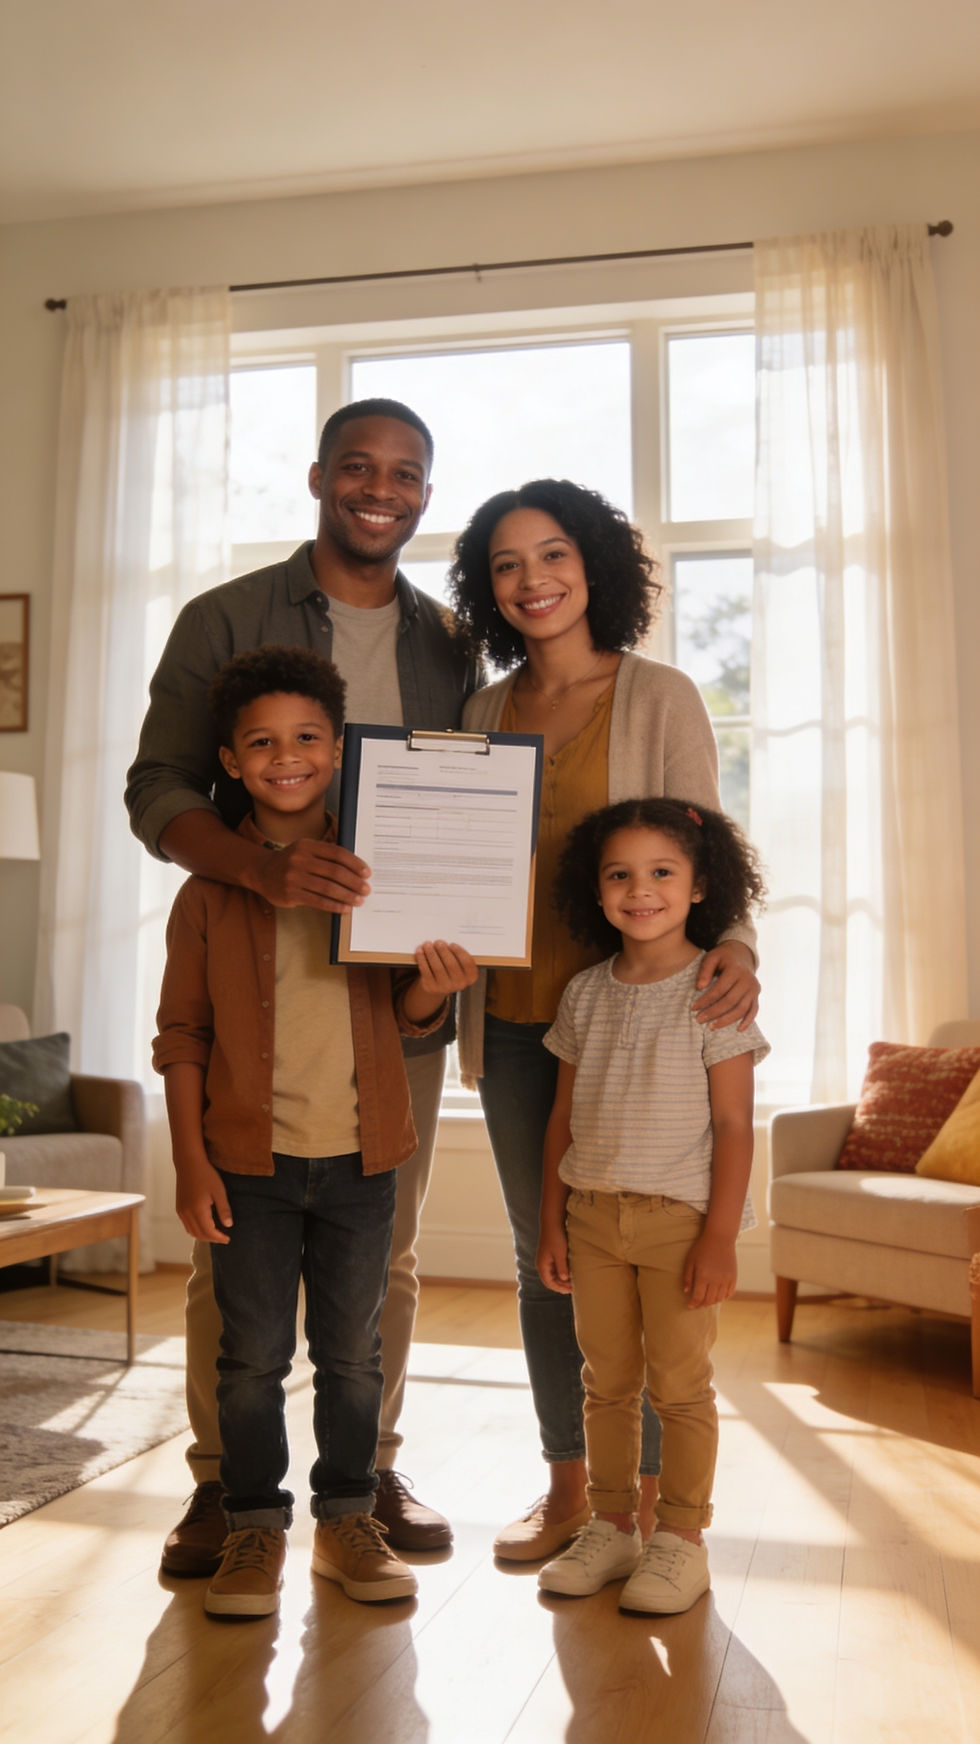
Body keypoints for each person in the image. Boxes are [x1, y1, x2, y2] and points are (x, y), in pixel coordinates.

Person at [127, 399, 481, 1574]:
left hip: (396, 1012)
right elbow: (156, 790)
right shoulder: (224, 616)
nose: (381, 490)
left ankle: (361, 1472)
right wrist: (261, 871)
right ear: (320, 474)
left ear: (425, 492)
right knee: (231, 1266)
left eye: (407, 474)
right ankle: (226, 1486)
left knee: (385, 1254)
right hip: (253, 992)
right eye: (359, 468)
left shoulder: (446, 638)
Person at [448, 479, 760, 1560]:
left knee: (660, 1254)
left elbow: (710, 846)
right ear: (486, 590)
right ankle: (573, 1490)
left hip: (648, 1020)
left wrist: (737, 950)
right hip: (516, 1016)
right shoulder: (481, 712)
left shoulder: (660, 694)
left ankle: (657, 1516)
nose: (531, 580)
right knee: (551, 1257)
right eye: (504, 565)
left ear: (592, 566)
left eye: (550, 555)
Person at [535, 797, 768, 1612]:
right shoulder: (584, 994)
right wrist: (549, 1224)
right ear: (595, 891)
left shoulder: (715, 993)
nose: (641, 890)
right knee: (606, 1382)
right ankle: (612, 1527)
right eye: (620, 875)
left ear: (701, 886)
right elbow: (560, 1119)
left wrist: (720, 1238)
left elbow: (736, 1124)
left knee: (679, 1385)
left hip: (680, 1224)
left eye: (662, 872)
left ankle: (681, 1539)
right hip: (592, 1217)